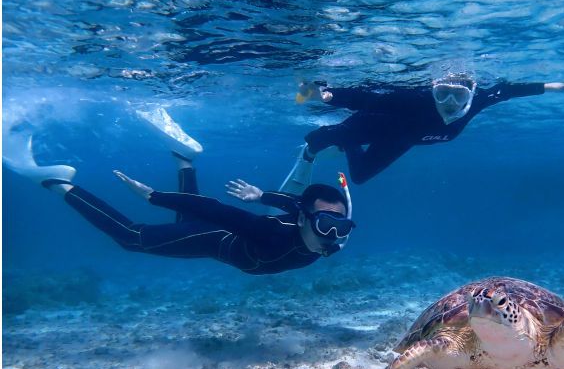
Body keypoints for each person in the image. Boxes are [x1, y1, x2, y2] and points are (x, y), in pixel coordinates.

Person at [3, 109, 355, 274]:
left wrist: (263, 196)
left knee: (188, 218)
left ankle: (185, 160)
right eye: (326, 225)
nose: (333, 236)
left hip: (219, 235)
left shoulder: (328, 239)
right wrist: (155, 197)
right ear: (307, 221)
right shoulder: (270, 233)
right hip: (215, 238)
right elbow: (218, 211)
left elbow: (293, 202)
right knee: (131, 237)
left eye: (341, 227)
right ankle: (56, 182)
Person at [279, 73, 564, 190]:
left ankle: (344, 145)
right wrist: (325, 95)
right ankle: (310, 153)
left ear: (472, 95)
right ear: (432, 90)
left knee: (359, 177)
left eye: (458, 96)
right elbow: (366, 97)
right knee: (318, 141)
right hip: (369, 124)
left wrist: (553, 87)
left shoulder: (480, 101)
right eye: (442, 93)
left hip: (401, 140)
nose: (449, 103)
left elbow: (508, 90)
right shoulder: (414, 99)